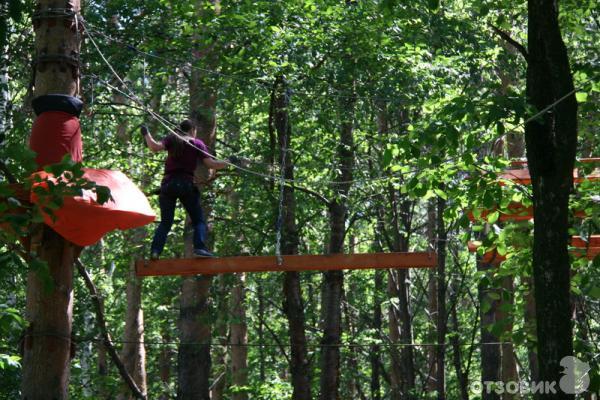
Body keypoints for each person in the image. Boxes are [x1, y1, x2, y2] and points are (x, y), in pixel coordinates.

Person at [141, 119, 228, 259]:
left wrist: (146, 133)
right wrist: (229, 162)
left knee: (165, 222)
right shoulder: (196, 143)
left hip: (168, 185)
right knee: (198, 220)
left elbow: (154, 147)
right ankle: (199, 248)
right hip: (186, 185)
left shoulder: (172, 139)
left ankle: (155, 251)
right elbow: (212, 164)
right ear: (193, 129)